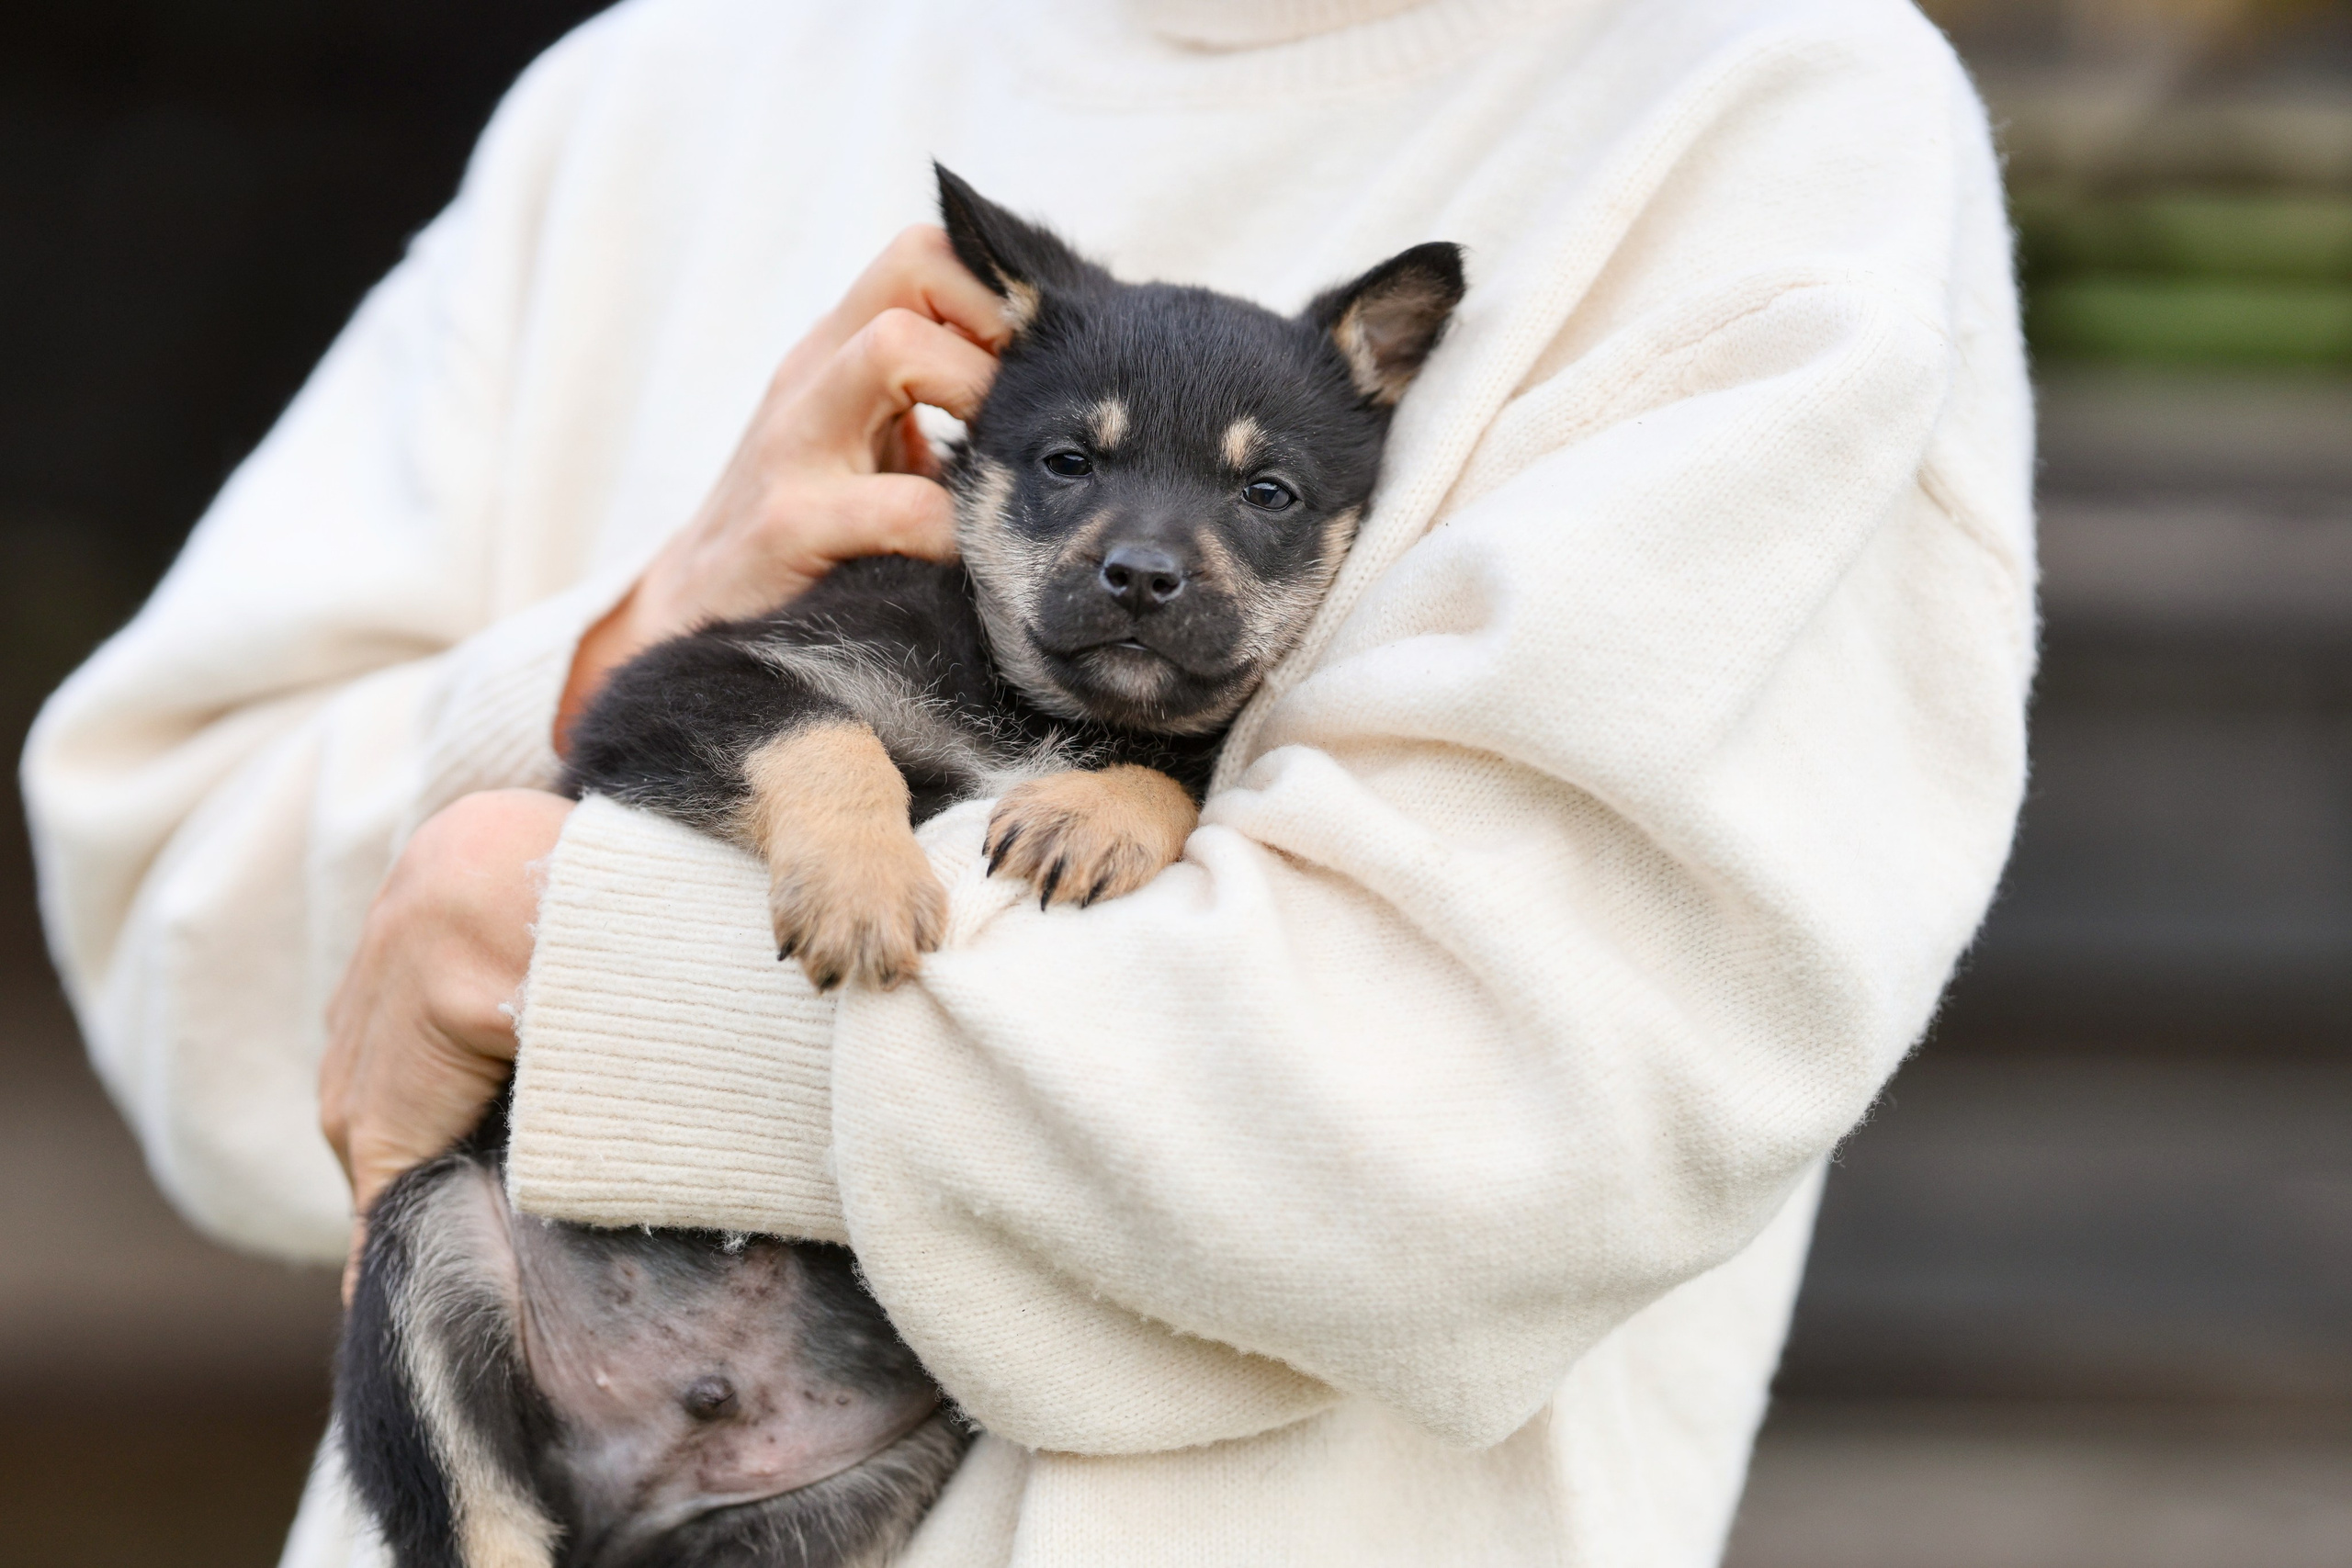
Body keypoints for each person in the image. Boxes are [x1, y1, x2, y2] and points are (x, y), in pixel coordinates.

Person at [22, 1, 2035, 1563]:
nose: (1147, 554)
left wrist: (585, 959)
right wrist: (640, 634)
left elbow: (1478, 1109)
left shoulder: (1766, 124)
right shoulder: (656, 85)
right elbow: (172, 912)